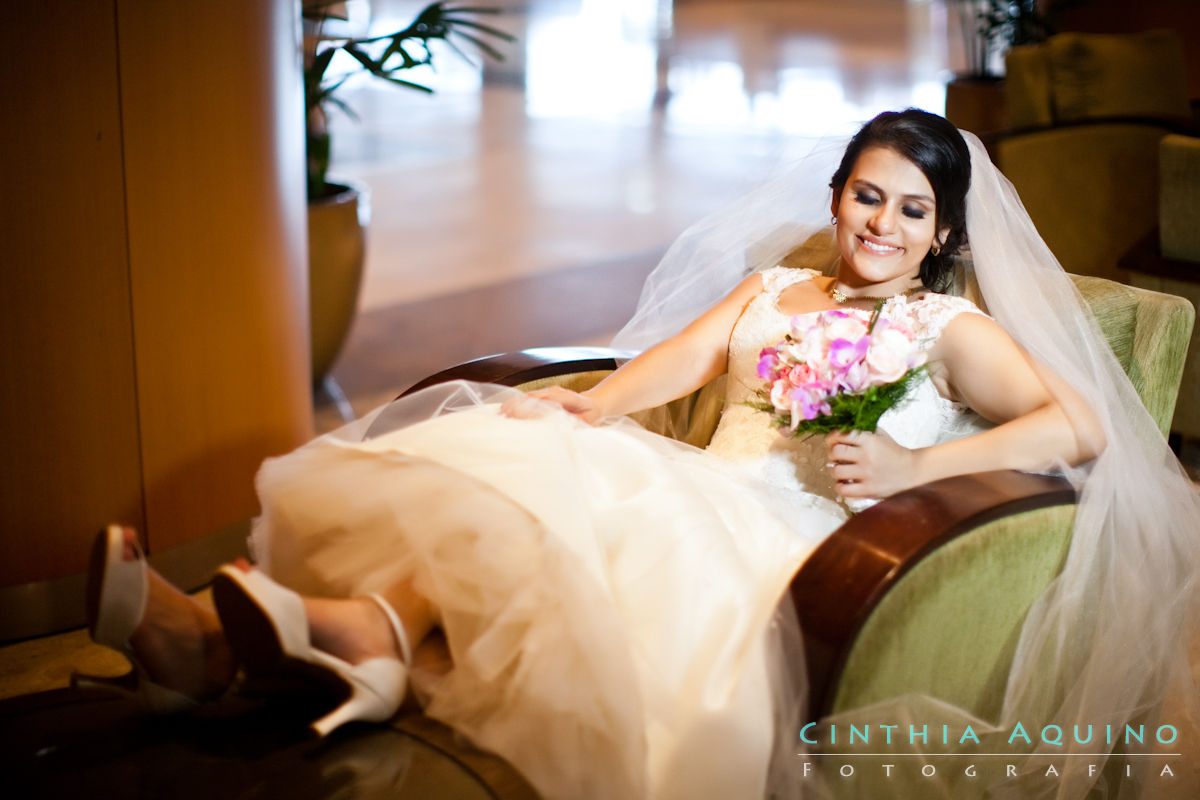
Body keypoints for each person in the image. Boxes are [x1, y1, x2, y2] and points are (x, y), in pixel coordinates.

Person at [76, 110, 1197, 800]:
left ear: (943, 232)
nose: (882, 224)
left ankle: (271, 645)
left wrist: (913, 472)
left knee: (598, 528)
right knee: (521, 459)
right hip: (705, 480)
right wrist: (592, 410)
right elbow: (673, 361)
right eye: (866, 195)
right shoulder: (777, 287)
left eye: (911, 209)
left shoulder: (947, 329)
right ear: (838, 195)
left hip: (811, 538)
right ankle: (305, 642)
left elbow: (1079, 425)